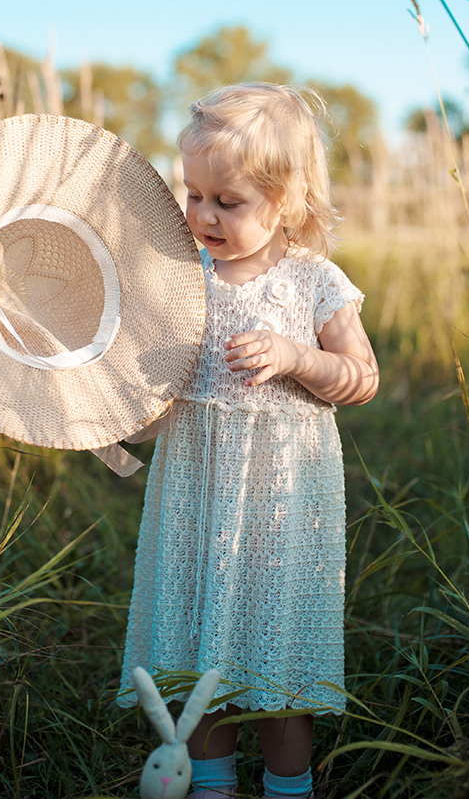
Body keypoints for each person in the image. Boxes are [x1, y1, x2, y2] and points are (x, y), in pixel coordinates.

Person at [117, 83, 379, 799]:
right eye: (193, 193)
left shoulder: (314, 281)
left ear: (285, 200)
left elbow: (361, 378)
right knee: (200, 644)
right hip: (195, 504)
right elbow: (158, 407)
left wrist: (296, 357)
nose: (203, 214)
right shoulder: (181, 282)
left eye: (227, 201)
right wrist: (130, 409)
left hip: (280, 512)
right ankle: (211, 782)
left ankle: (289, 784)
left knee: (277, 651)